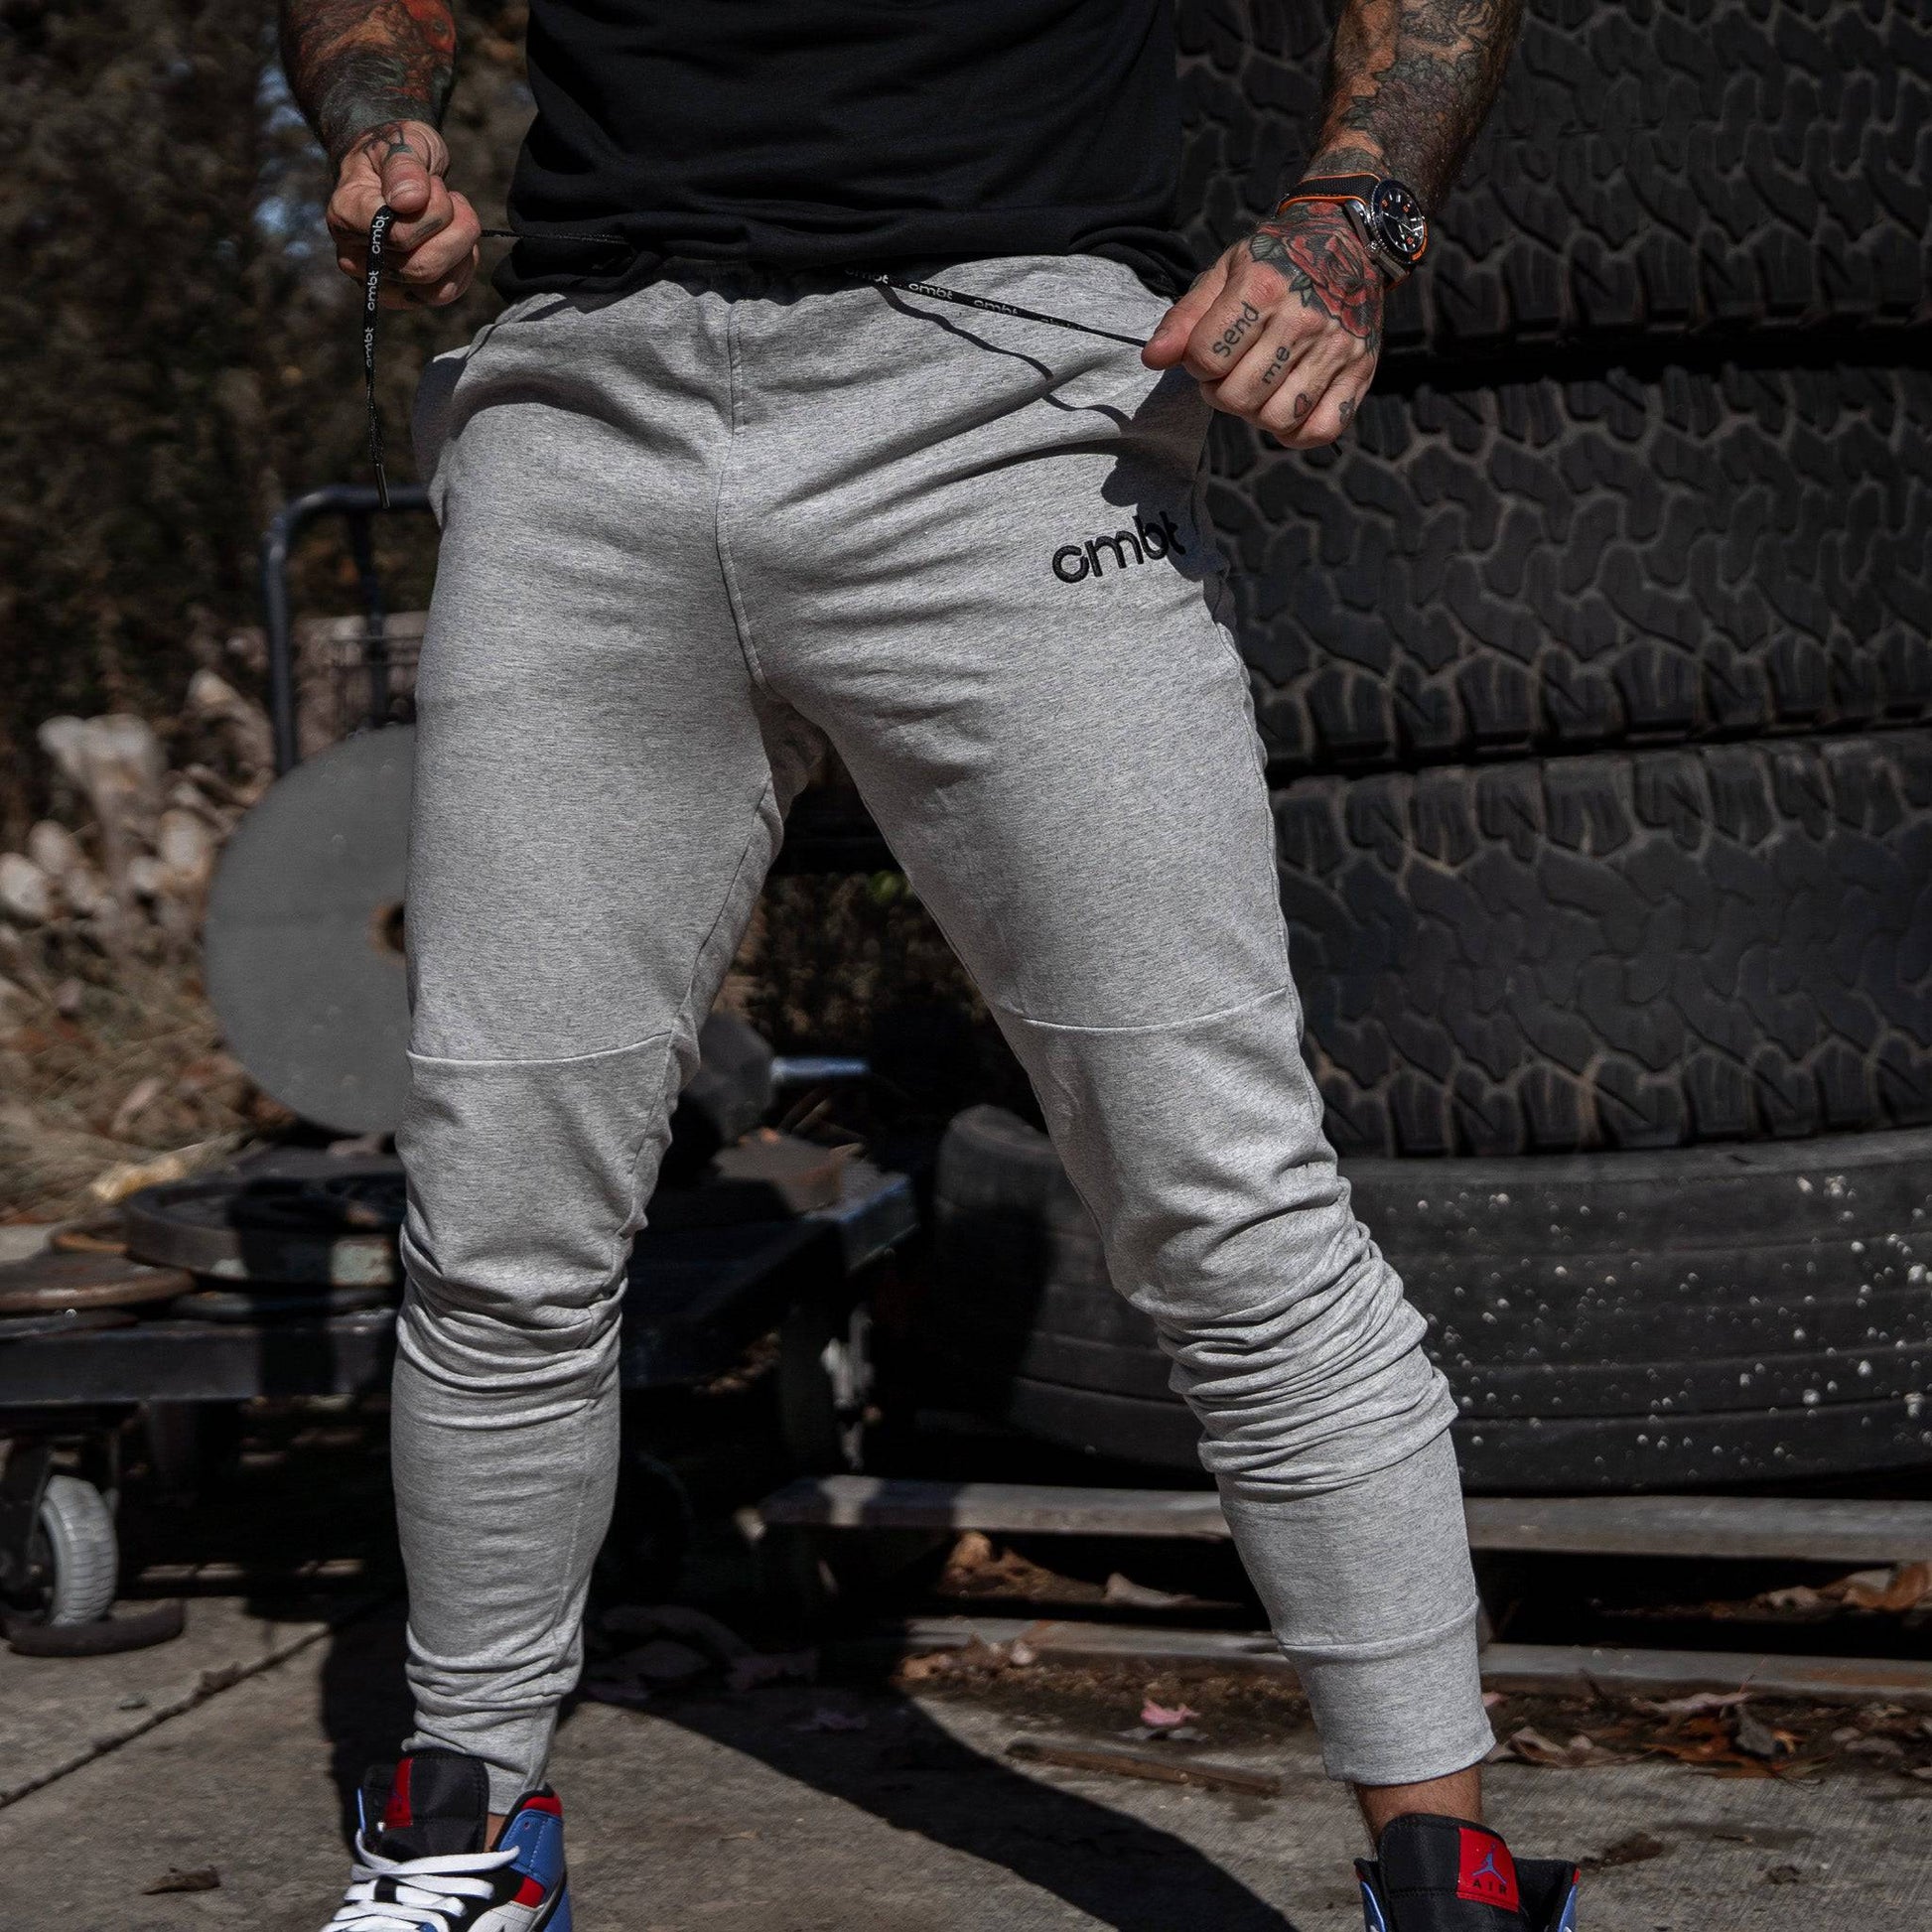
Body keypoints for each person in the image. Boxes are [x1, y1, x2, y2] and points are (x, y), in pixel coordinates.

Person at [284, 4, 1580, 1928]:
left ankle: (1439, 1869)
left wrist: (1351, 213)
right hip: (584, 413)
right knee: (496, 1208)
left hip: (1006, 407)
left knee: (1216, 1189)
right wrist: (380, 117)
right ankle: (462, 1829)